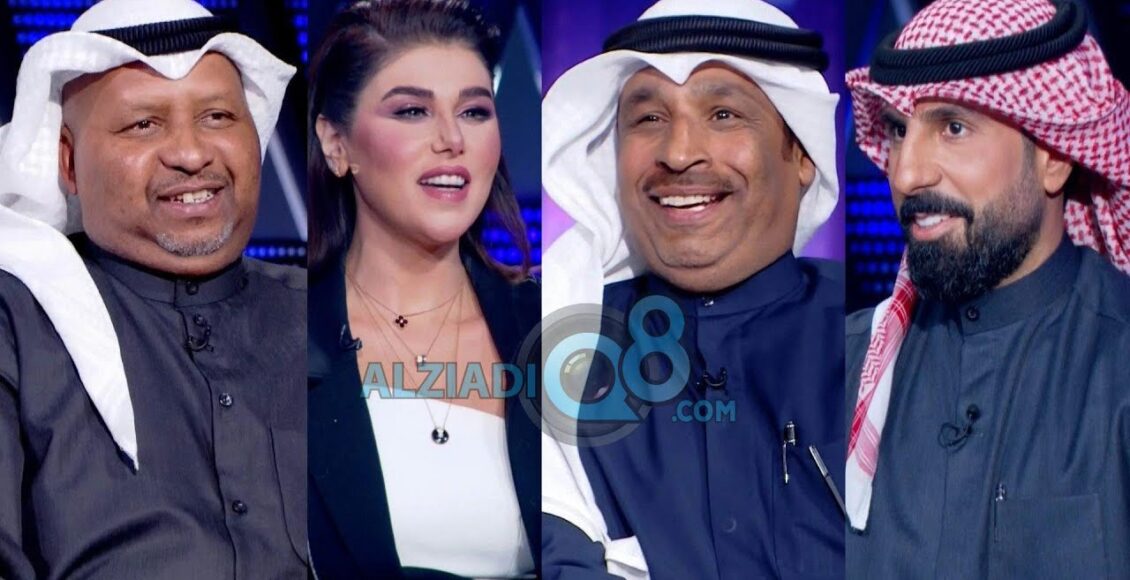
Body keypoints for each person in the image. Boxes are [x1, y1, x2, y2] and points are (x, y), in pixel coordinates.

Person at [0, 0, 306, 578]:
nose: (191, 154)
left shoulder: (335, 313)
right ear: (67, 162)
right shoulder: (16, 322)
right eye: (144, 124)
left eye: (217, 117)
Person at [539, 0, 845, 577]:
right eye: (650, 119)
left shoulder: (880, 337)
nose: (678, 154)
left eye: (724, 115)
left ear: (802, 155)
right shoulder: (564, 344)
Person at [844, 0, 1130, 577]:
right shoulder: (843, 363)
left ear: (1053, 159)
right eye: (898, 130)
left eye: (953, 128)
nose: (906, 174)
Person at [305, 1, 539, 578]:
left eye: (475, 111)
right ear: (336, 144)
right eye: (412, 111)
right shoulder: (277, 339)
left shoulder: (554, 330)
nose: (452, 139)